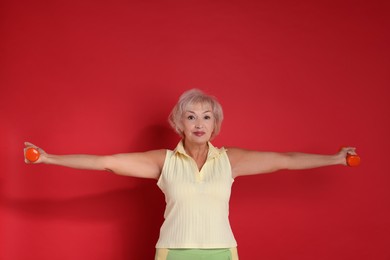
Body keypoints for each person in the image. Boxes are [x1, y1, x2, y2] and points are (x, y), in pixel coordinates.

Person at [24, 89, 357, 260]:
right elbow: (106, 162)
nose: (199, 123)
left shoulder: (231, 160)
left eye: (207, 117)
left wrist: (336, 159)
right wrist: (48, 159)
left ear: (215, 124)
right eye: (191, 116)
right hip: (174, 253)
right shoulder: (163, 161)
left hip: (223, 252)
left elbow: (285, 159)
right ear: (178, 123)